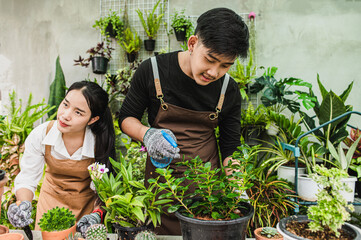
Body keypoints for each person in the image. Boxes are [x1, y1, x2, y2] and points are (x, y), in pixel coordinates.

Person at [118, 7, 249, 235]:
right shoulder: (153, 71)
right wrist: (148, 135)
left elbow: (230, 148)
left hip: (207, 191)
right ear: (192, 43)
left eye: (225, 65)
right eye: (210, 59)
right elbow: (126, 118)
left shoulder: (229, 89)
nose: (214, 72)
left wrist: (239, 192)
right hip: (161, 188)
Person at [7, 81, 115, 236]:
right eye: (65, 104)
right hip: (49, 208)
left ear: (93, 119)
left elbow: (104, 189)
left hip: (84, 211)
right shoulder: (41, 134)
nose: (65, 115)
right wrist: (23, 204)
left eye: (78, 112)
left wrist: (96, 214)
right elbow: (27, 178)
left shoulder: (99, 143)